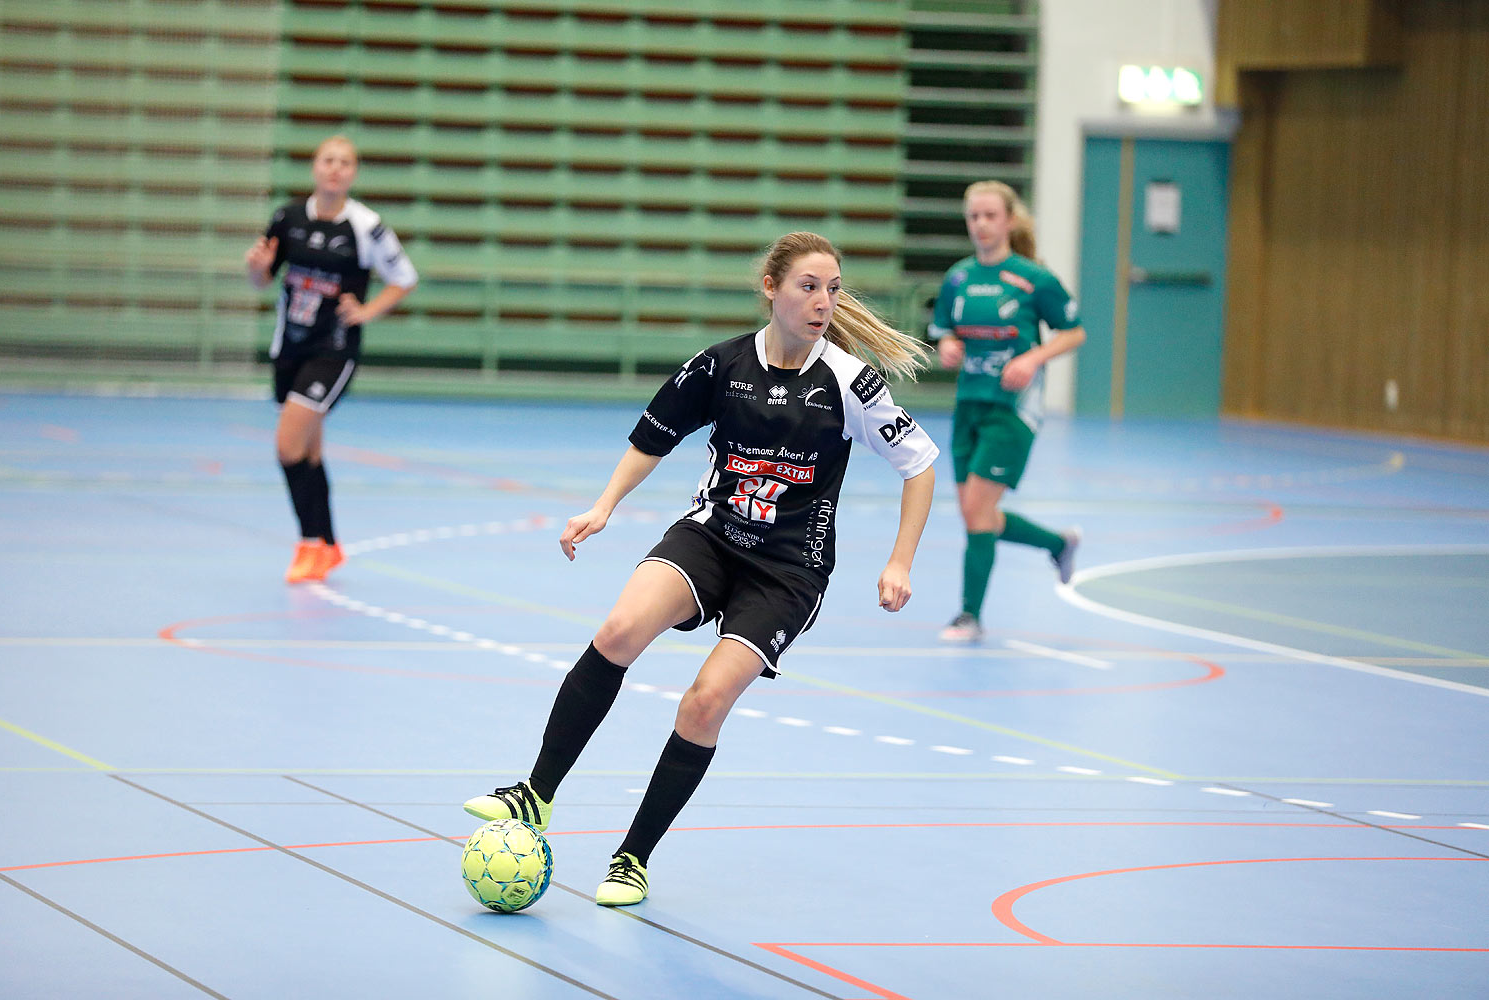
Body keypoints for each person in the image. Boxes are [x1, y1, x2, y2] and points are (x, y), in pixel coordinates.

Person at [462, 232, 938, 906]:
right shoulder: (721, 366)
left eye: (833, 289)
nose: (824, 301)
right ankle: (535, 794)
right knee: (621, 628)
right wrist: (602, 506)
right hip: (712, 537)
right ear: (771, 288)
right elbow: (654, 433)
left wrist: (899, 561)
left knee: (705, 701)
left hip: (787, 571)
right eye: (808, 286)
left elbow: (919, 464)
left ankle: (632, 858)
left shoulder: (848, 383)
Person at [244, 135, 418, 583]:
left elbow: (403, 277)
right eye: (328, 160)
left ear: (353, 172)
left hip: (333, 351)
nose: (335, 169)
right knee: (309, 452)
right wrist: (256, 268)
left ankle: (308, 544)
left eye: (345, 162)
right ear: (315, 167)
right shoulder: (287, 218)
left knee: (287, 445)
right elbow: (261, 281)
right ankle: (329, 545)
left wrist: (366, 312)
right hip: (290, 346)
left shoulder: (365, 226)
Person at [930, 180, 1086, 643]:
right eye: (973, 216)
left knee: (978, 510)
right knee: (977, 515)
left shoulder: (1033, 279)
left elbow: (1073, 331)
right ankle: (1059, 544)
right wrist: (948, 346)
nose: (980, 224)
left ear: (1009, 221)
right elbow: (944, 330)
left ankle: (969, 616)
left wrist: (1032, 357)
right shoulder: (958, 277)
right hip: (969, 404)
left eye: (990, 216)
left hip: (1013, 409)